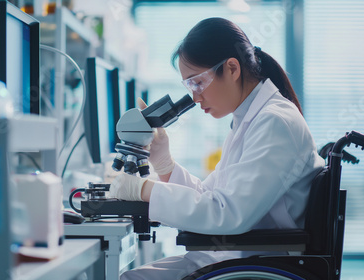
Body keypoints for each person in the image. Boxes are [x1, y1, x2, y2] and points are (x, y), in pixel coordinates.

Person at [109, 17, 325, 279]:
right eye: (189, 86)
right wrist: (165, 164)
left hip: (256, 266)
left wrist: (143, 190)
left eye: (197, 82)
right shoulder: (250, 119)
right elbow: (211, 195)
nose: (195, 97)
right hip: (239, 257)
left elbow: (227, 213)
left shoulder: (274, 122)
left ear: (232, 69)